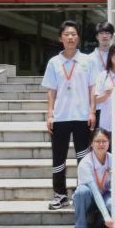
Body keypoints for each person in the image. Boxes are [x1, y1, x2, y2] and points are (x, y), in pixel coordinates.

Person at [41, 20, 96, 210]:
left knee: (84, 158)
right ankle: (60, 195)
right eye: (67, 34)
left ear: (78, 38)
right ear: (60, 38)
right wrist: (50, 115)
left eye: (73, 34)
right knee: (58, 158)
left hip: (82, 117)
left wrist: (92, 111)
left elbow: (92, 88)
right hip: (60, 117)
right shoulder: (54, 62)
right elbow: (51, 91)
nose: (70, 37)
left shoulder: (87, 61)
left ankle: (82, 193)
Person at [72, 128, 114, 228]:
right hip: (89, 198)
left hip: (105, 195)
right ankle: (80, 227)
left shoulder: (113, 160)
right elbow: (95, 191)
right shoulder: (85, 162)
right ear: (91, 143)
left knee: (112, 203)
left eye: (104, 141)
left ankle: (100, 221)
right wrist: (106, 216)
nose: (101, 144)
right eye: (97, 141)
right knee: (81, 192)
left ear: (109, 142)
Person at [89, 21, 115, 127]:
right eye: (101, 33)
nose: (104, 36)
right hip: (95, 106)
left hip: (114, 105)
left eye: (107, 33)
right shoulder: (88, 59)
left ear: (112, 36)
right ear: (97, 36)